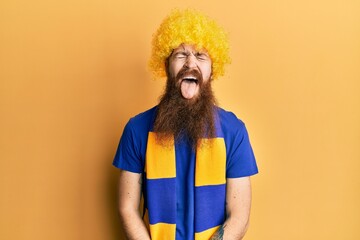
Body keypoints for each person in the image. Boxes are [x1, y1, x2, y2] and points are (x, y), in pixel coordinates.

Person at [113, 9, 258, 240]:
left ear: (213, 69)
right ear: (166, 65)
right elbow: (127, 208)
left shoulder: (234, 131)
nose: (190, 63)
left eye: (201, 56)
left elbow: (239, 215)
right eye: (180, 55)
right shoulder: (137, 130)